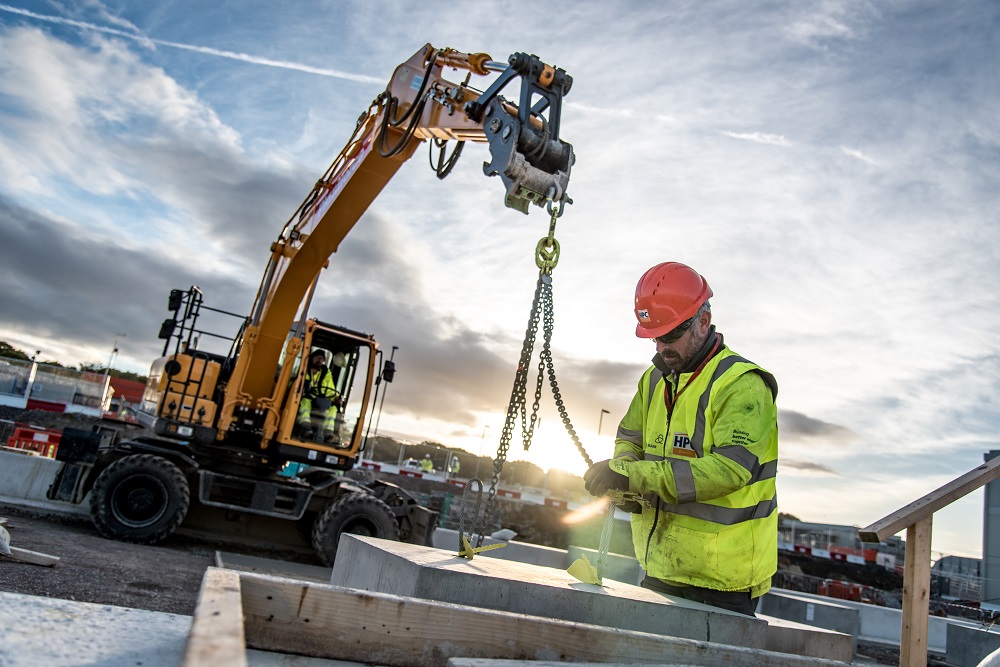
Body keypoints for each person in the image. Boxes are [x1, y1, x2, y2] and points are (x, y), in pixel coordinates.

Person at [583, 261, 778, 616]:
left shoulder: (743, 385)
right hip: (661, 565)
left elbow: (730, 470)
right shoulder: (654, 379)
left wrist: (635, 476)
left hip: (723, 580)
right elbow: (630, 439)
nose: (660, 347)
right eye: (654, 336)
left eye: (670, 335)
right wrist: (625, 483)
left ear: (703, 321)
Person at [297, 349, 341, 443]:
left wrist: (336, 398)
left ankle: (327, 434)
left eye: (322, 358)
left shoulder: (325, 373)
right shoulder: (302, 369)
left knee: (333, 408)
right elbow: (293, 383)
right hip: (304, 397)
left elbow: (330, 389)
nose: (319, 360)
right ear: (312, 358)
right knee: (306, 402)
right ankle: (306, 428)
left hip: (320, 400)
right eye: (317, 357)